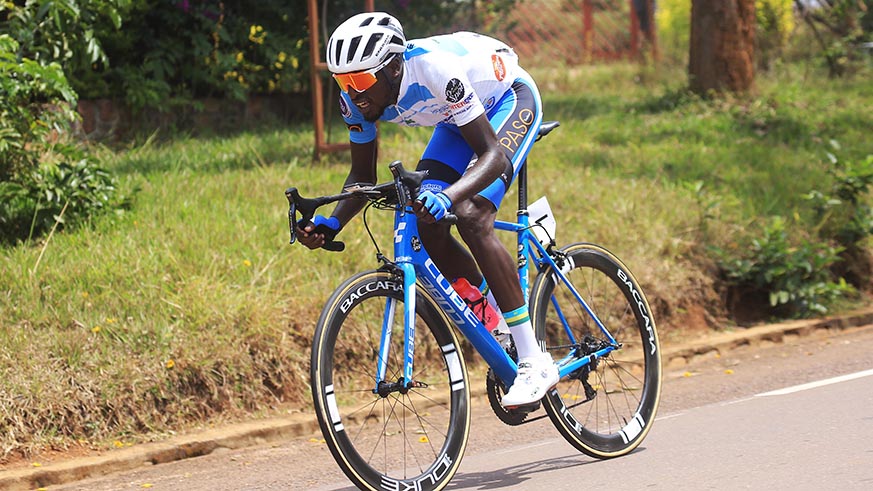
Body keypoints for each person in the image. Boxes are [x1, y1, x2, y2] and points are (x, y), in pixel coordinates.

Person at [297, 12, 557, 407]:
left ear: (394, 67)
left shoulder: (436, 71)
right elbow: (361, 176)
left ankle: (535, 361)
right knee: (427, 221)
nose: (354, 93)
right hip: (455, 122)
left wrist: (450, 196)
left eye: (362, 81)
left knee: (470, 213)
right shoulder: (354, 100)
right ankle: (497, 316)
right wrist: (331, 223)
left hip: (508, 99)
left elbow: (492, 156)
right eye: (344, 82)